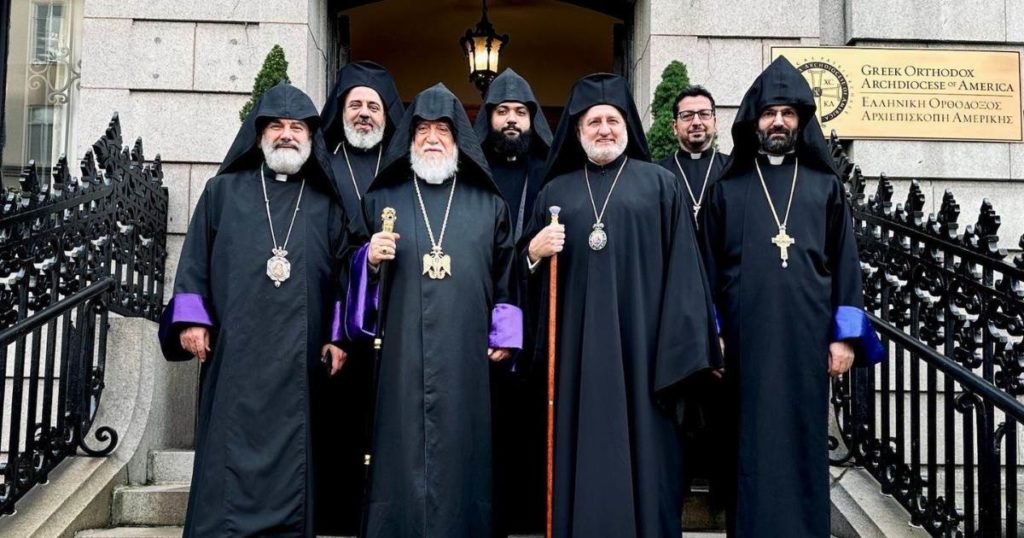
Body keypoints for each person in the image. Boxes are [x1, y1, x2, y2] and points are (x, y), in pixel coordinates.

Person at [522, 73, 719, 538]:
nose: (605, 129)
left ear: (627, 126)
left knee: (648, 463)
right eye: (594, 122)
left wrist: (679, 359)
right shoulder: (555, 193)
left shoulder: (660, 186)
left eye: (613, 120)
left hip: (645, 361)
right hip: (575, 362)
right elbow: (518, 276)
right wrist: (534, 252)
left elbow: (687, 277)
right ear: (577, 131)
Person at [701, 56, 884, 537]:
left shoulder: (826, 186)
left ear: (801, 120)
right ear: (753, 122)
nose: (777, 121)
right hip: (743, 341)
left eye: (786, 112)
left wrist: (844, 339)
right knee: (748, 442)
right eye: (768, 113)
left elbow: (846, 264)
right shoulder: (728, 189)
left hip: (807, 338)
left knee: (803, 439)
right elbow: (704, 270)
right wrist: (712, 334)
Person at [158, 82, 350, 537]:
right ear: (259, 134)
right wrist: (191, 319)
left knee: (293, 457)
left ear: (310, 136)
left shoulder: (326, 204)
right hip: (235, 352)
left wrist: (338, 335)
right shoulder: (223, 191)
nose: (287, 134)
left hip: (298, 357)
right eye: (277, 126)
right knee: (228, 447)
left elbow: (343, 275)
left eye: (297, 127)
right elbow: (194, 261)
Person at [345, 83, 521, 538]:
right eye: (422, 129)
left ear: (458, 139)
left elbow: (507, 274)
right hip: (401, 352)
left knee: (465, 450)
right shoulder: (383, 200)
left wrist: (503, 334)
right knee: (400, 450)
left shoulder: (490, 204)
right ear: (409, 139)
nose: (432, 138)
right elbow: (346, 270)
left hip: (467, 355)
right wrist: (369, 259)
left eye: (443, 129)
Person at [315, 60, 404, 535]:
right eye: (356, 105)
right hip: (337, 323)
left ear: (388, 115)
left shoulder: (405, 168)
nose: (365, 114)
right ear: (342, 112)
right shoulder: (321, 163)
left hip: (396, 319)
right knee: (339, 432)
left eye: (373, 106)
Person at [472, 67, 553, 535]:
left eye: (520, 112)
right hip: (475, 315)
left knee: (530, 427)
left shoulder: (549, 173)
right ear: (488, 118)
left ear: (532, 119)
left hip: (538, 321)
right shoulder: (470, 170)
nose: (510, 120)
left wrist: (530, 258)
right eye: (501, 110)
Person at [656, 85, 729, 231]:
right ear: (675, 126)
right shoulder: (657, 173)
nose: (696, 122)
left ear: (715, 123)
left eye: (704, 114)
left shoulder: (731, 169)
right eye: (687, 115)